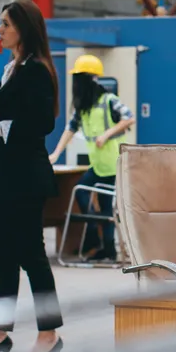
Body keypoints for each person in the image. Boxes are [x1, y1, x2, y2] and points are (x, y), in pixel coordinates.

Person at [0, 0, 66, 352]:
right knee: (4, 257)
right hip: (5, 173)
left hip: (25, 177)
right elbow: (17, 117)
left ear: (22, 29)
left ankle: (48, 333)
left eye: (5, 24)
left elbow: (43, 123)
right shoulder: (13, 67)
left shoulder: (37, 70)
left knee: (32, 256)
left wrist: (0, 126)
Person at [48, 55, 135, 262]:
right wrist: (56, 153)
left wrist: (106, 135)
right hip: (97, 165)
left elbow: (129, 117)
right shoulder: (83, 107)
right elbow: (70, 130)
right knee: (81, 192)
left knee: (105, 207)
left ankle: (107, 250)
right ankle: (96, 239)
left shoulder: (108, 101)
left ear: (88, 79)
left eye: (78, 78)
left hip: (112, 164)